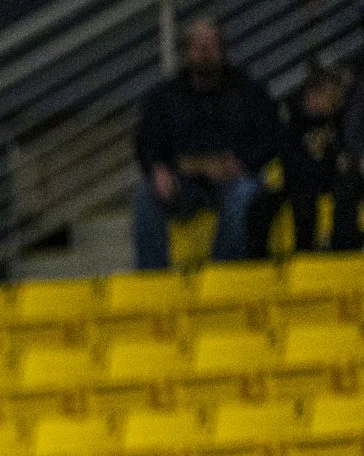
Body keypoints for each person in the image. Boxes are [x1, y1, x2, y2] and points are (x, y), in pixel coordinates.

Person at [131, 16, 279, 269]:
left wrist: (243, 162)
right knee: (146, 196)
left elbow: (271, 136)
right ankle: (154, 282)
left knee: (245, 194)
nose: (204, 52)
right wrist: (158, 169)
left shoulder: (248, 90)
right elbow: (146, 142)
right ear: (187, 51)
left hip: (233, 177)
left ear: (222, 49)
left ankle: (218, 277)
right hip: (184, 180)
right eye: (198, 46)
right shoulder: (164, 96)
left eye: (210, 45)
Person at [255, 64, 359, 254]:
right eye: (325, 95)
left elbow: (343, 158)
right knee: (261, 206)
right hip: (295, 181)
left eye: (333, 97)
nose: (330, 102)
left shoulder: (339, 121)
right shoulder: (289, 117)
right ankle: (258, 262)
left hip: (326, 180)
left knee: (341, 192)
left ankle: (333, 250)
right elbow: (287, 158)